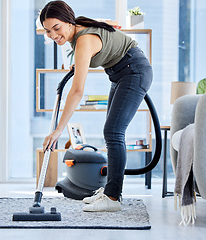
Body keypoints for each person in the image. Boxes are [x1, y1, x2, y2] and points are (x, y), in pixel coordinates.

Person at [41, 0, 153, 212]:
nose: (53, 35)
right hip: (121, 74)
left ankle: (112, 197)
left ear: (68, 21)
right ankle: (110, 191)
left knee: (113, 131)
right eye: (48, 31)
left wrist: (57, 131)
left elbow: (77, 91)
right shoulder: (79, 33)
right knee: (111, 132)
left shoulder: (83, 40)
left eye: (56, 28)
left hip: (133, 71)